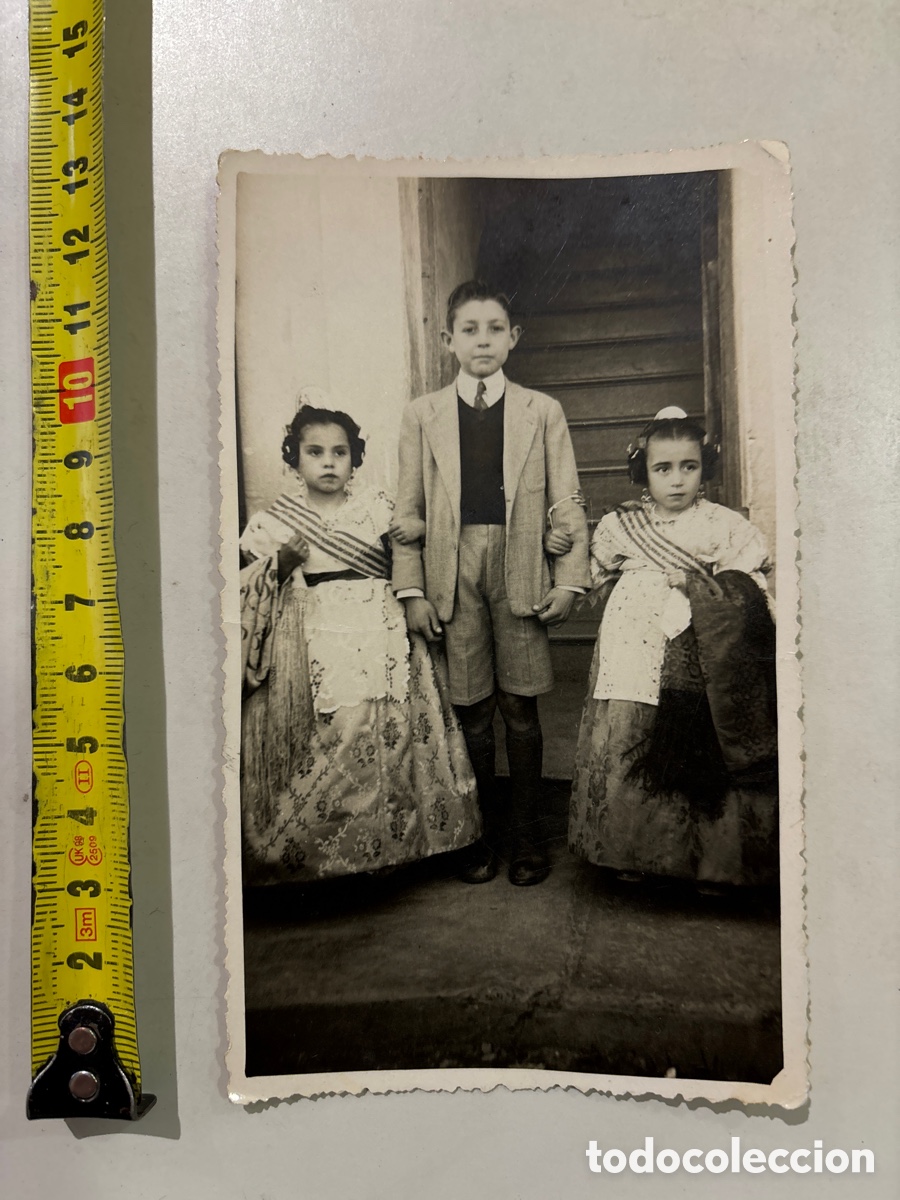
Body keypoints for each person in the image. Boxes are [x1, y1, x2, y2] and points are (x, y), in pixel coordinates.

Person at [391, 280, 590, 886]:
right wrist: (413, 590)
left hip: (521, 565)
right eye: (470, 330)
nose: (483, 341)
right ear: (449, 340)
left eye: (495, 329)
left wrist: (571, 577)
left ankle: (527, 834)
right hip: (451, 571)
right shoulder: (422, 415)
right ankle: (477, 835)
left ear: (513, 338)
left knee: (520, 707)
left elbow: (567, 500)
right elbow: (407, 509)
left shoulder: (542, 410)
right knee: (471, 710)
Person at [239, 403, 480, 884]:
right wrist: (281, 564)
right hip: (313, 641)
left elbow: (414, 557)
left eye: (339, 452)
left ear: (355, 459)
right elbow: (245, 589)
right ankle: (318, 859)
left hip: (382, 628)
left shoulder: (379, 508)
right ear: (294, 459)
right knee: (331, 735)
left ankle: (403, 847)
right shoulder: (274, 521)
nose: (328, 462)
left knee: (398, 732)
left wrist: (414, 586)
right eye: (315, 452)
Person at [558, 407, 779, 890]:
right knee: (630, 735)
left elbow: (751, 587)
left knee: (696, 741)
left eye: (689, 467)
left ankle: (709, 865)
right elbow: (587, 578)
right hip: (632, 644)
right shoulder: (622, 526)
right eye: (663, 469)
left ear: (705, 467)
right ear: (643, 471)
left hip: (697, 649)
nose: (677, 480)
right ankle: (631, 854)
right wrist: (559, 551)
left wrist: (704, 588)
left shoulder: (724, 526)